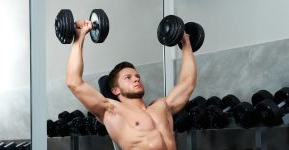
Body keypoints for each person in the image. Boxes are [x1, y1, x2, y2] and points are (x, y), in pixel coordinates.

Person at [66, 19, 197, 150]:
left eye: (137, 76)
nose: (136, 79)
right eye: (128, 77)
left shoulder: (162, 106)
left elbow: (188, 83)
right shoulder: (112, 111)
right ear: (115, 90)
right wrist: (79, 37)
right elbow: (74, 82)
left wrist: (186, 43)